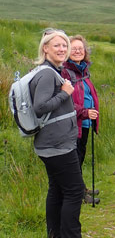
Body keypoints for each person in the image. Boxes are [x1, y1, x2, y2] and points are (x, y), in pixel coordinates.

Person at [31, 28, 84, 237]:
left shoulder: (48, 70)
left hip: (51, 142)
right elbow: (40, 107)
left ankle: (54, 233)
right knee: (74, 190)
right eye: (57, 45)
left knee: (57, 189)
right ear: (45, 48)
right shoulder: (46, 73)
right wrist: (65, 94)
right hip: (57, 144)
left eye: (64, 45)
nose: (62, 49)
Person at [61, 35, 101, 205]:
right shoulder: (65, 72)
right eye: (74, 48)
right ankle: (78, 193)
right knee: (74, 159)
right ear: (68, 51)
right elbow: (66, 101)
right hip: (73, 123)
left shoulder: (83, 70)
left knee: (80, 156)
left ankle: (81, 187)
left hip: (84, 122)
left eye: (81, 48)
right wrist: (85, 112)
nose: (78, 51)